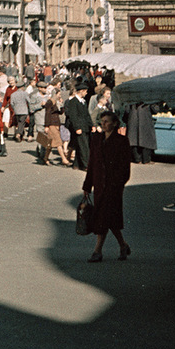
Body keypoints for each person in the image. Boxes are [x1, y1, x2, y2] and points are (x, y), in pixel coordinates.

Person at [83, 110, 132, 261]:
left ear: (115, 123)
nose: (103, 124)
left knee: (104, 218)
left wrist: (118, 183)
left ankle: (97, 251)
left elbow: (125, 167)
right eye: (102, 121)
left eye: (107, 121)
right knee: (110, 219)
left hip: (113, 186)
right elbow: (92, 164)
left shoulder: (122, 141)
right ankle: (123, 245)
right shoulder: (96, 139)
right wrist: (87, 185)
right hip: (99, 184)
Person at [37, 85, 71, 166]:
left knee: (51, 143)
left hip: (56, 123)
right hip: (51, 124)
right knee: (58, 142)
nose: (60, 96)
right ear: (55, 94)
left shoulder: (56, 102)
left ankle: (45, 158)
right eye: (59, 94)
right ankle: (64, 159)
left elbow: (60, 112)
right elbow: (47, 114)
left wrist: (61, 105)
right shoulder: (50, 102)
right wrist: (46, 126)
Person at [64, 83, 95, 171]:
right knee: (84, 147)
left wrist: (91, 125)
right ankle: (87, 165)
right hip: (79, 128)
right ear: (81, 91)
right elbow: (73, 116)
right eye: (85, 91)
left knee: (80, 146)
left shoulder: (83, 101)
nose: (86, 93)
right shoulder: (73, 101)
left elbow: (87, 115)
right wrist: (77, 127)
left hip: (85, 127)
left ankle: (76, 164)